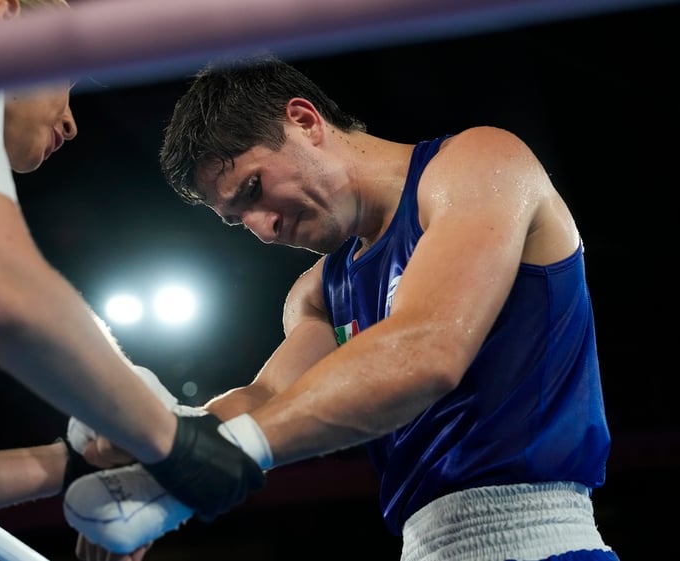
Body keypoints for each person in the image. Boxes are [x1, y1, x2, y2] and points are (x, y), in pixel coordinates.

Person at [68, 53, 619, 561]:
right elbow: (268, 398)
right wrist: (157, 441)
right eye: (239, 220)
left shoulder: (477, 164)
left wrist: (206, 461)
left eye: (254, 188)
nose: (263, 229)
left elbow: (427, 349)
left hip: (545, 542)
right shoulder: (314, 293)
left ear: (305, 121)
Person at [0, 0, 263, 544]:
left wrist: (72, 466)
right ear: (10, 15)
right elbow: (0, 291)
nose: (71, 118)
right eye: (67, 75)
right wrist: (174, 443)